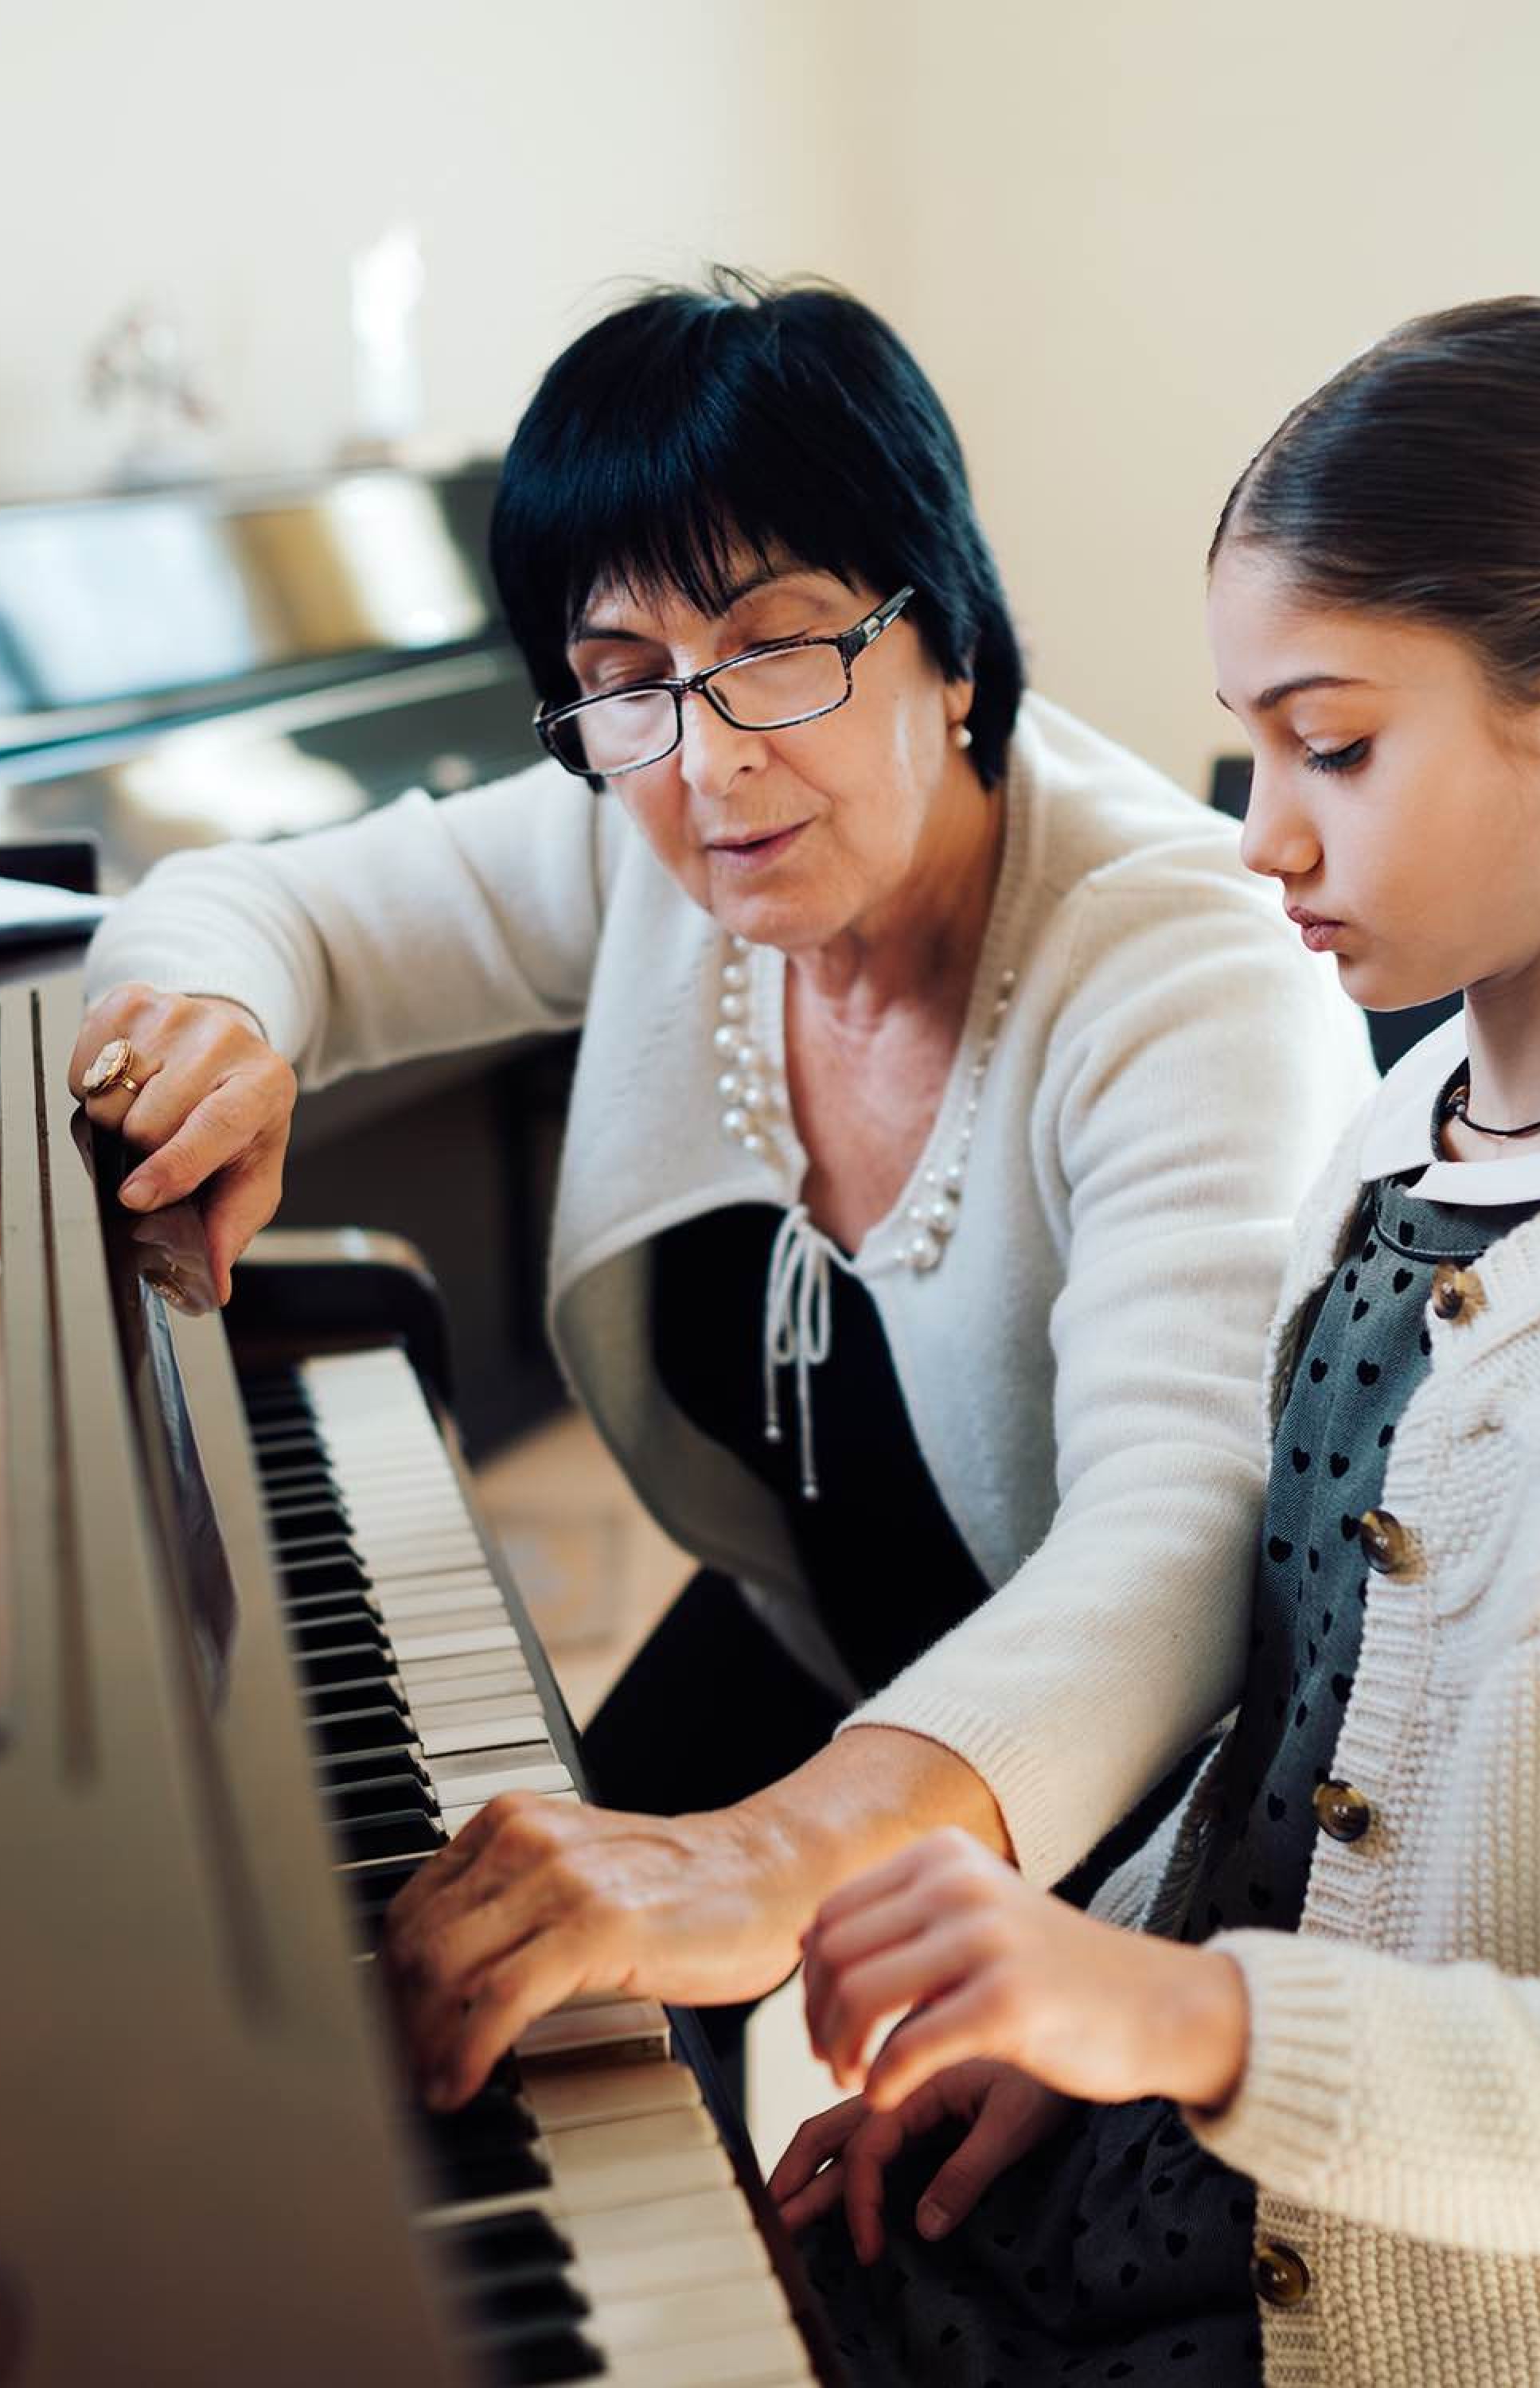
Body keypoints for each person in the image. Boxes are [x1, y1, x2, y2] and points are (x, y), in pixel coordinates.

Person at [771, 295, 1540, 2386]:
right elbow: (1296, 1749)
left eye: (1336, 743)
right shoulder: (1412, 1126)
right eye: (1254, 742)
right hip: (1237, 2167)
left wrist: (1178, 2028)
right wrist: (1085, 2007)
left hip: (1491, 2315)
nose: (1261, 829)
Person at [72, 271, 1370, 2114]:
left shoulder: (1183, 968)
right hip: (814, 1635)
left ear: (951, 642)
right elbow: (260, 902)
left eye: (780, 647)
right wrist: (207, 1025)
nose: (712, 757)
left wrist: (768, 1862)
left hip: (1136, 1785)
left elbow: (1179, 1544)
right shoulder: (650, 831)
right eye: (625, 681)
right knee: (514, 1998)